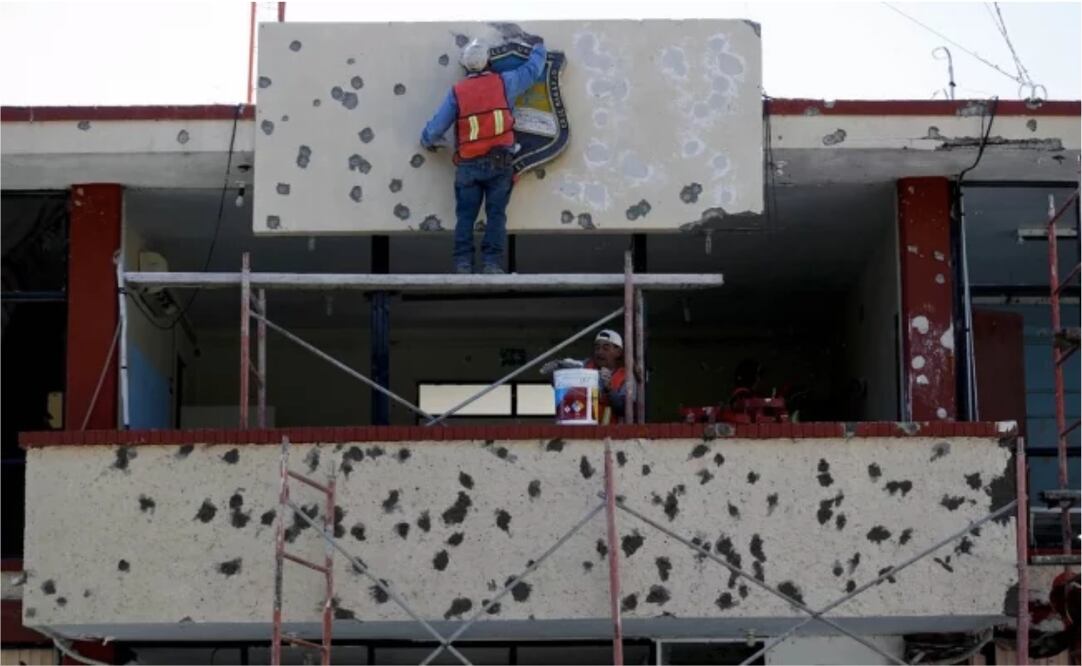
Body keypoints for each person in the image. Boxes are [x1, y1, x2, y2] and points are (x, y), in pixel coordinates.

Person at [420, 36, 547, 274]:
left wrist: (428, 140)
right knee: (496, 215)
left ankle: (462, 264)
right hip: (500, 164)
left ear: (465, 66)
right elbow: (532, 71)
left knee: (465, 216)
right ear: (489, 61)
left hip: (468, 165)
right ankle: (491, 264)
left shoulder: (458, 92)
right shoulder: (504, 82)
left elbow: (437, 126)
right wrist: (539, 47)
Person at [540, 329, 627, 424]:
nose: (600, 352)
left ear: (618, 352)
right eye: (597, 348)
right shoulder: (585, 366)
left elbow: (623, 410)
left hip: (611, 434)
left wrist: (610, 390)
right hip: (580, 428)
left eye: (605, 348)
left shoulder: (625, 377)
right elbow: (569, 365)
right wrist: (557, 365)